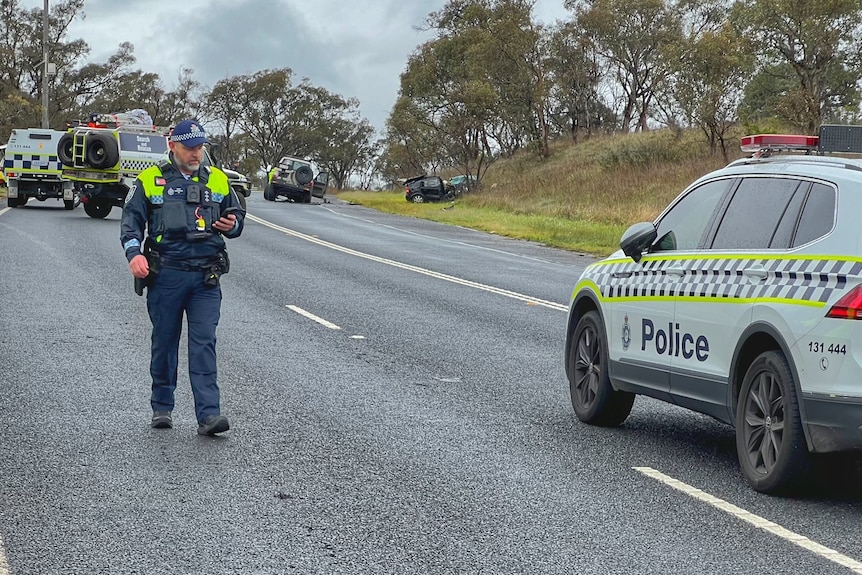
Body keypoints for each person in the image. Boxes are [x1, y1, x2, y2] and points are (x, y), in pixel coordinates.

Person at [120, 119, 245, 436]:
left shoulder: (217, 180)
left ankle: (209, 415)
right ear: (172, 146)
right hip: (167, 276)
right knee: (165, 343)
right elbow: (131, 223)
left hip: (206, 278)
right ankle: (162, 407)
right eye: (190, 148)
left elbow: (237, 217)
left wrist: (233, 225)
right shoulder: (150, 180)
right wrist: (134, 254)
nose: (196, 154)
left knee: (204, 343)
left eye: (200, 147)